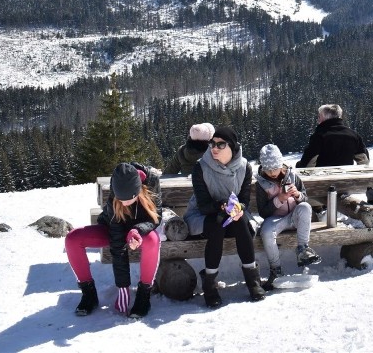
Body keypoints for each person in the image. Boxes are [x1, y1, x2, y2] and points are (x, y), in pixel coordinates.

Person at [65, 162, 162, 318]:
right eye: (120, 200)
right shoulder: (116, 185)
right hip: (113, 229)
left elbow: (155, 218)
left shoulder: (151, 180)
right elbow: (117, 246)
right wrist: (123, 287)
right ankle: (89, 293)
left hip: (140, 230)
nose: (123, 204)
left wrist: (136, 230)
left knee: (152, 239)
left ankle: (144, 295)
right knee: (73, 239)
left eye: (128, 201)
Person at [182, 126, 265, 306]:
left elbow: (244, 199)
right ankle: (210, 284)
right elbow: (203, 205)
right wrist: (222, 206)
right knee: (217, 223)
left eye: (221, 144)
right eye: (212, 143)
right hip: (205, 216)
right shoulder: (201, 168)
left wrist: (238, 208)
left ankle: (253, 280)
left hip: (232, 215)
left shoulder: (244, 166)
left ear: (232, 147)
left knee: (242, 220)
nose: (214, 147)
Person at [255, 144, 321, 290]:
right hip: (275, 219)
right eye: (268, 169)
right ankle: (276, 269)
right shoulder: (261, 184)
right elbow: (263, 212)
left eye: (274, 168)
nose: (271, 172)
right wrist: (280, 199)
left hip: (294, 216)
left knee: (305, 207)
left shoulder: (292, 176)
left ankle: (303, 250)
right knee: (266, 232)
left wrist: (297, 195)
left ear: (281, 165)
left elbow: (305, 199)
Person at [295, 104, 369, 168]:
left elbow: (308, 163)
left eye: (319, 117)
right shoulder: (353, 135)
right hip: (346, 178)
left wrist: (299, 165)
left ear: (324, 117)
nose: (318, 120)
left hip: (324, 179)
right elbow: (364, 160)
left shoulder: (319, 136)